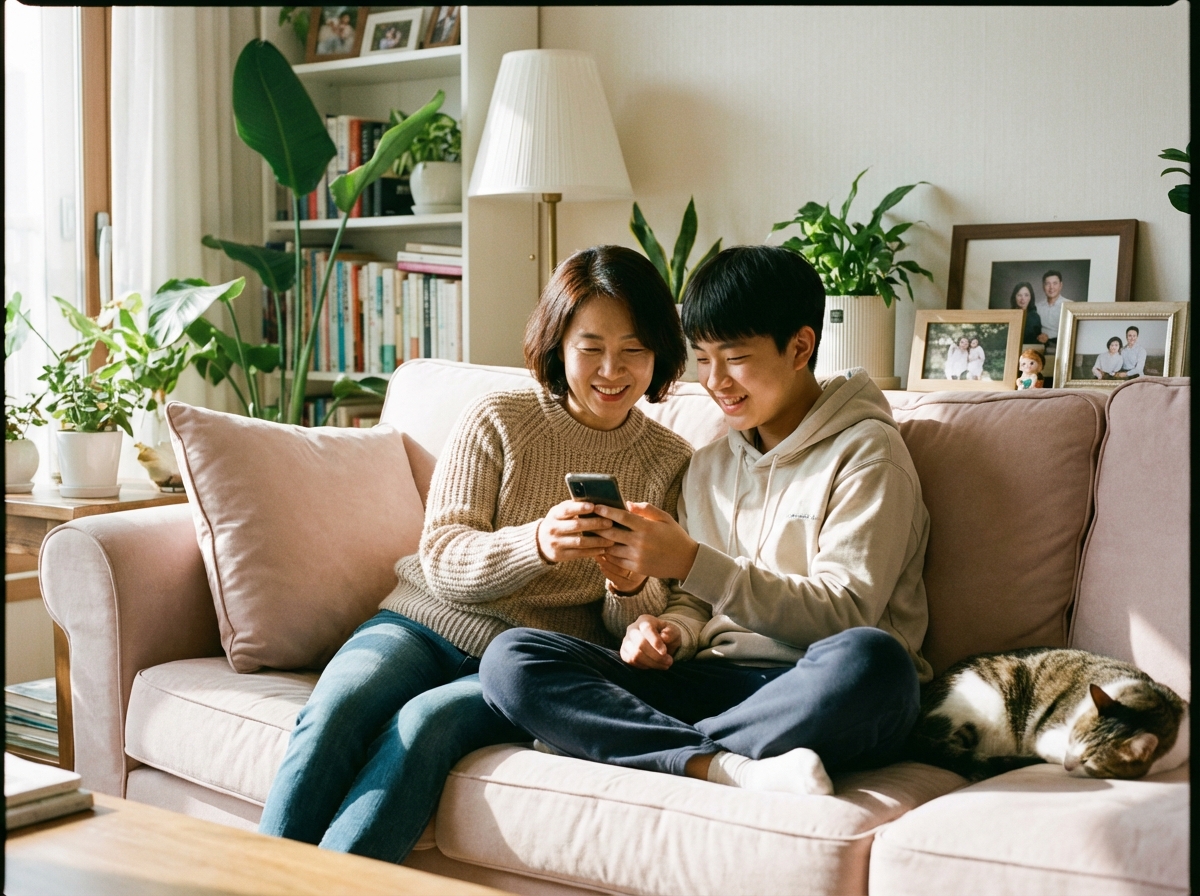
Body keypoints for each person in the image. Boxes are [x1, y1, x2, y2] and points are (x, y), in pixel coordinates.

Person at [258, 246, 693, 861]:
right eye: (591, 347)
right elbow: (442, 555)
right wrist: (537, 543)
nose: (611, 370)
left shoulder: (670, 461)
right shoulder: (498, 418)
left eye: (634, 350)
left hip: (527, 664)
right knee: (338, 709)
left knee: (422, 731)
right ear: (558, 343)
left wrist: (626, 586)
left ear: (660, 354)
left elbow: (645, 619)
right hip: (419, 623)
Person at [480, 245, 930, 798]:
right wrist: (666, 630)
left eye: (735, 357)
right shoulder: (710, 462)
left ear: (800, 347)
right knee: (513, 658)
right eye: (702, 357)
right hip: (708, 681)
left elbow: (844, 614)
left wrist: (691, 562)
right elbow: (693, 606)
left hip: (811, 686)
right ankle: (723, 766)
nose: (715, 380)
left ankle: (638, 746)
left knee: (875, 662)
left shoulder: (868, 453)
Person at [1034, 270, 1073, 349]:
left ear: (1060, 285)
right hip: (1041, 345)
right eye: (1047, 284)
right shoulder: (1037, 307)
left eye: (1055, 283)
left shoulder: (1070, 305)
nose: (1051, 287)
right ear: (1043, 286)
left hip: (1063, 346)